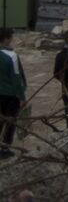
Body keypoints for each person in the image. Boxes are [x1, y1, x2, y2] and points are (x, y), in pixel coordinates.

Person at [0, 29, 25, 157]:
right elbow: (16, 78)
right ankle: (5, 148)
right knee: (10, 122)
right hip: (10, 95)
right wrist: (21, 96)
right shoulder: (12, 56)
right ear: (6, 39)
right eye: (10, 38)